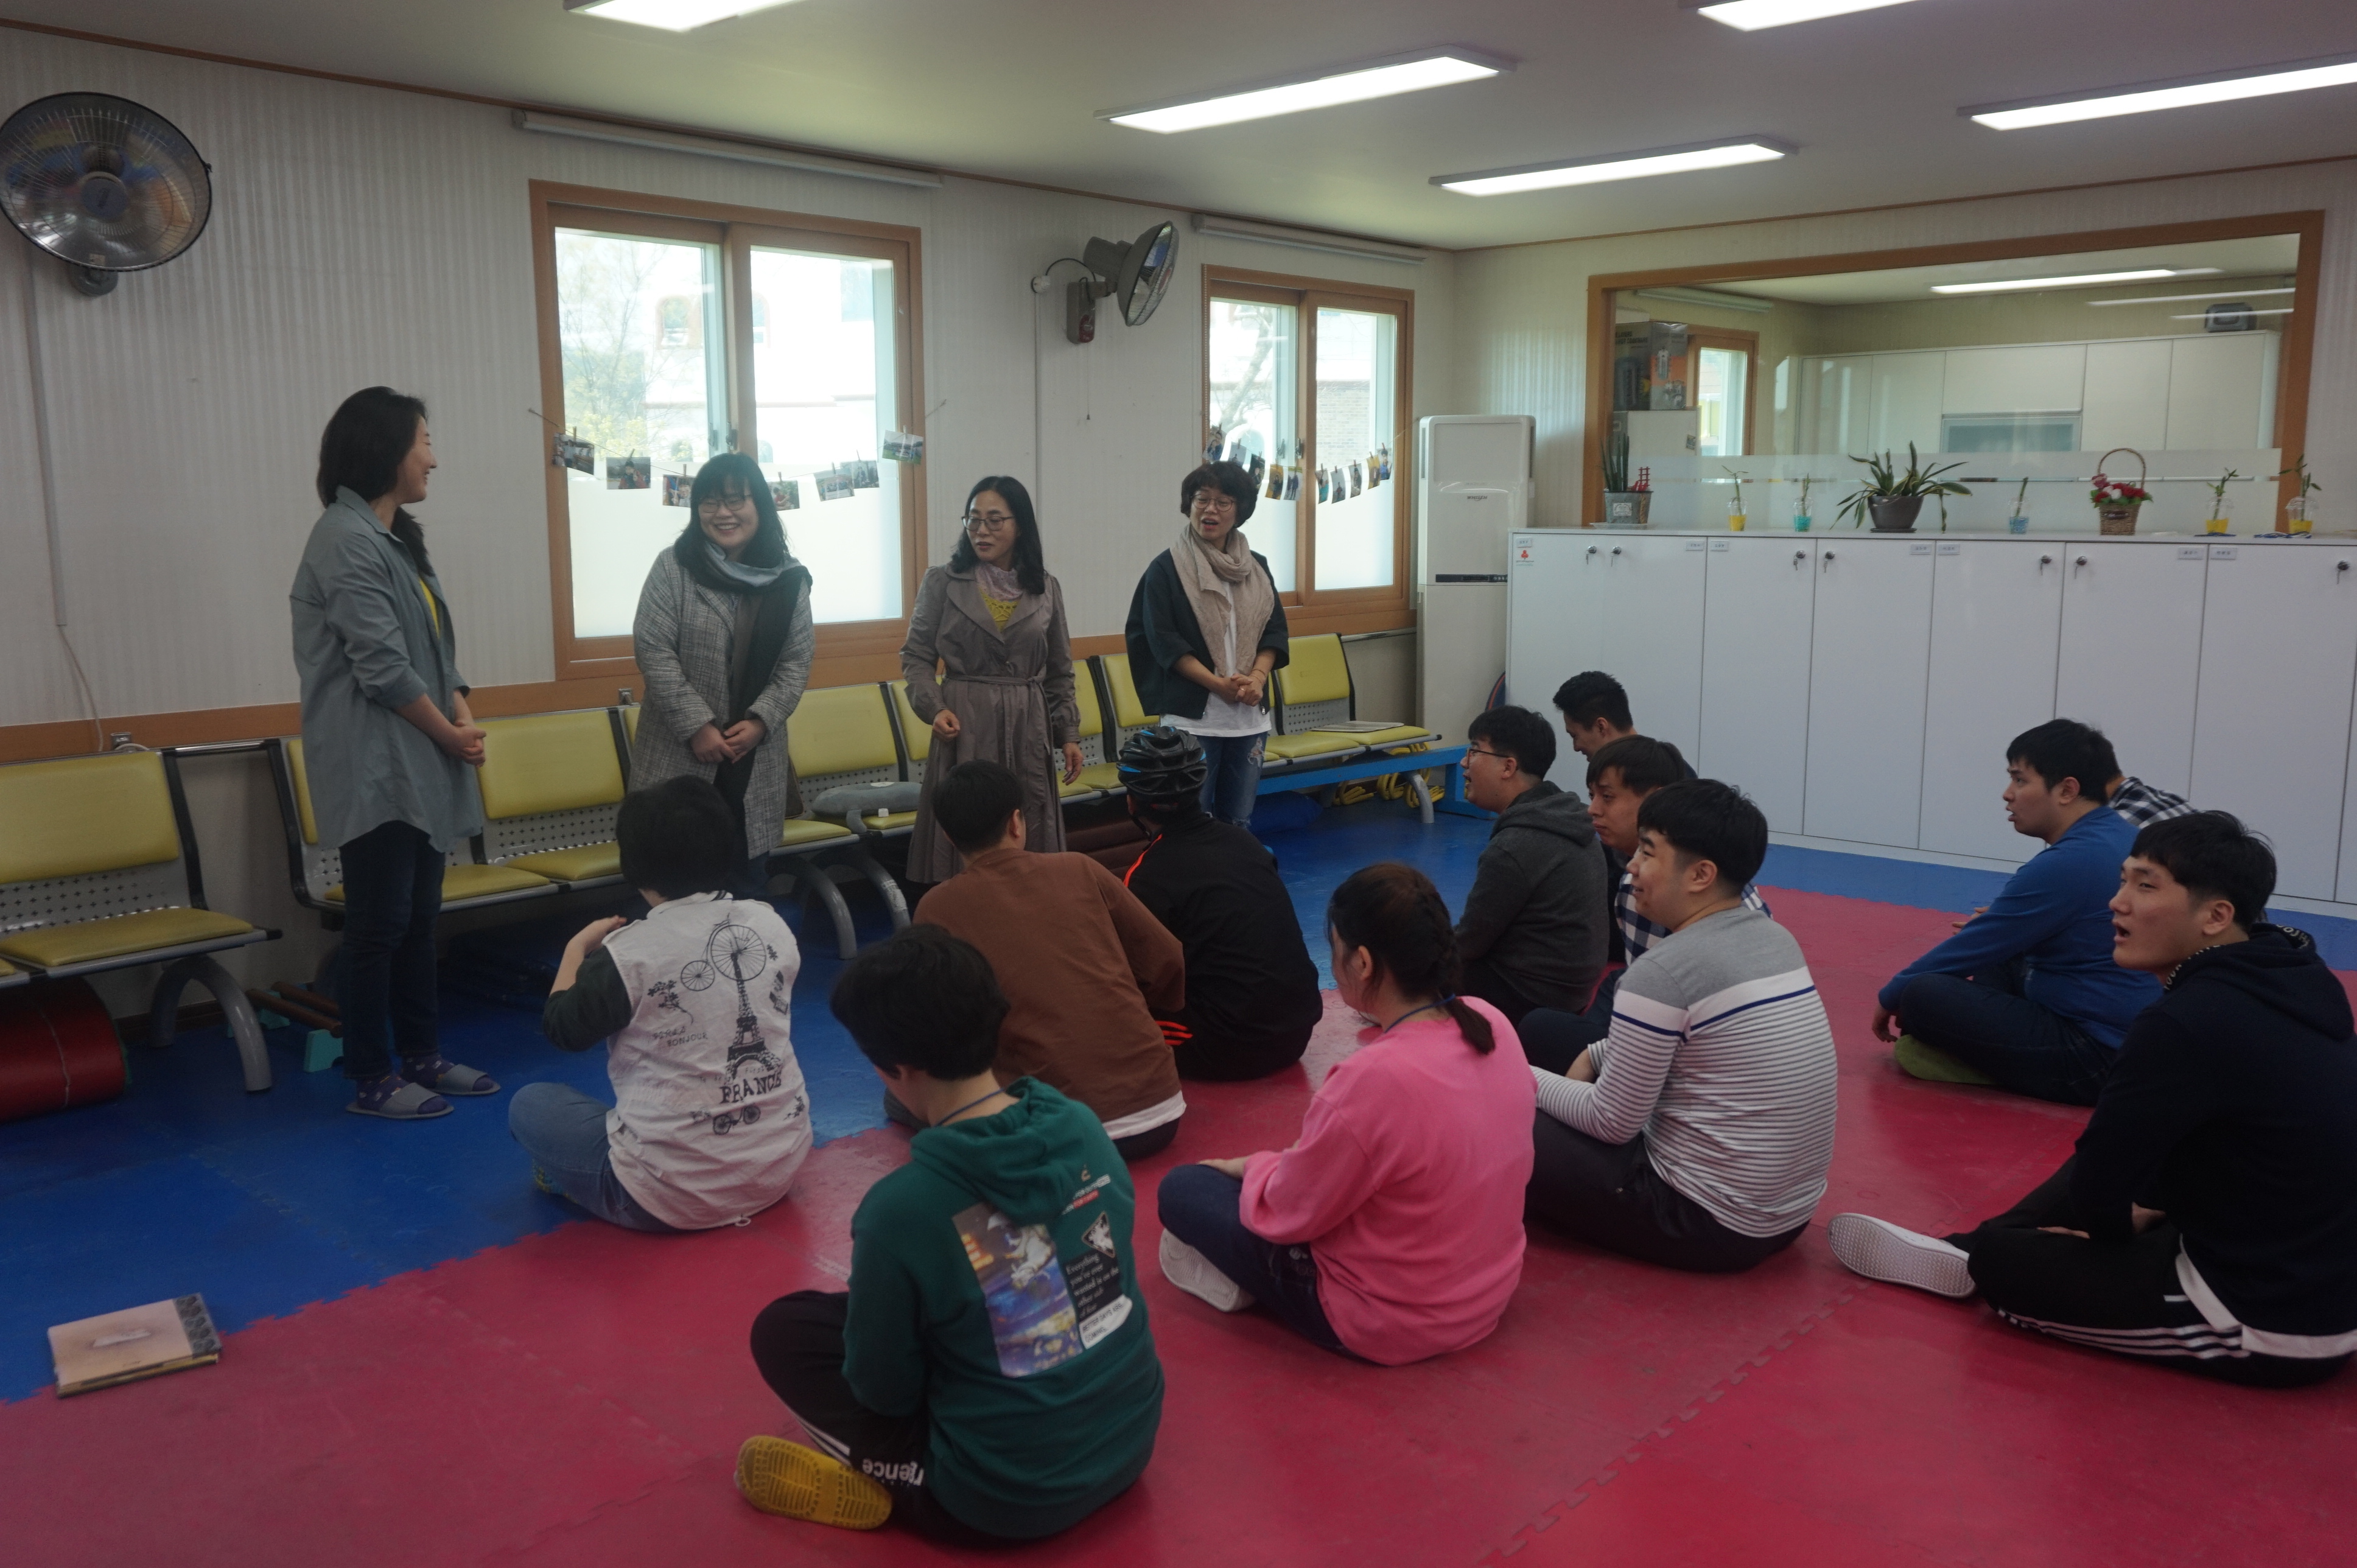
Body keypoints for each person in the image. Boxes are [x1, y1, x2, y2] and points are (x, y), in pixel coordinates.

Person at [1830, 813, 2357, 1388]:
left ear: (2215, 916)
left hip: (2263, 1320)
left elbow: (2100, 1186)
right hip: (2307, 1271)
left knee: (2003, 1262)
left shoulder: (2183, 1023)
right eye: (2124, 880)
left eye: (2145, 886)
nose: (2117, 902)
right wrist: (2141, 1209)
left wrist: (2106, 1239)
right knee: (2117, 1159)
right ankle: (1964, 1248)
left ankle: (1976, 1254)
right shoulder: (2295, 976)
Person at [741, 926, 1163, 1540]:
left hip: (999, 1500)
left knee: (781, 1332)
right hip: (1129, 1440)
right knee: (941, 1299)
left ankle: (885, 1477)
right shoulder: (1080, 1124)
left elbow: (884, 1393)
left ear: (893, 1067)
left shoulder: (901, 1209)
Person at [1157, 863, 1535, 1363]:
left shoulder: (1373, 1078)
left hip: (1387, 1321)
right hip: (1487, 1293)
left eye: (1334, 950)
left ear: (1362, 962)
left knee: (1184, 1189)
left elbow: (1291, 1213)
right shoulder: (1491, 1023)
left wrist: (1254, 1167)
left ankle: (1257, 1282)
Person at [1525, 780, 1837, 1273]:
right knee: (1546, 1031)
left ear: (1700, 875)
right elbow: (1698, 1041)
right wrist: (1594, 1055)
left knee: (1496, 1116)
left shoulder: (1664, 971)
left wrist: (1512, 1077)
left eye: (1648, 853)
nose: (1631, 866)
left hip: (1706, 1222)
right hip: (1787, 1218)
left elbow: (1611, 1122)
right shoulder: (1775, 938)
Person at [291, 387, 496, 1122]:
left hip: (421, 757)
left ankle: (422, 1055)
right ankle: (371, 1075)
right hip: (375, 764)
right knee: (378, 925)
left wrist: (460, 704)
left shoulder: (395, 536)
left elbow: (431, 647)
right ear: (387, 449)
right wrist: (449, 733)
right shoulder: (343, 538)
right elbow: (380, 666)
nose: (433, 459)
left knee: (417, 920)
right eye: (425, 442)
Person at [513, 777, 812, 1231]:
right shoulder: (769, 922)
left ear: (633, 865)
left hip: (664, 1200)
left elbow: (562, 1029)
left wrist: (576, 949)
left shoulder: (628, 952)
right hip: (778, 1169)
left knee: (530, 1103)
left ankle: (582, 1185)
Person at [1874, 719, 2160, 1105]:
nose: (2008, 794)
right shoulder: (2121, 835)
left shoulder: (2071, 860)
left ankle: (1987, 1064)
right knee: (2000, 951)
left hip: (2096, 1055)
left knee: (1922, 994)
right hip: (2123, 1033)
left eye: (2020, 780)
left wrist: (1891, 996)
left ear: (2067, 790)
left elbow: (1977, 944)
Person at [914, 761, 1187, 1158]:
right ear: (1016, 822)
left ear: (948, 836)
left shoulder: (936, 907)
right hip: (1160, 1110)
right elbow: (1167, 959)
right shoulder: (1080, 868)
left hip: (1054, 1133)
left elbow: (941, 1026)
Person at [1518, 735, 1769, 1073]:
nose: (1592, 810)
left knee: (1539, 1028)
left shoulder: (1655, 890)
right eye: (1592, 796)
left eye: (1607, 797)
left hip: (1692, 1054)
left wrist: (1587, 1063)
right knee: (1618, 983)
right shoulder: (1732, 896)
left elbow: (1657, 1046)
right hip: (1671, 1018)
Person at [629, 452, 814, 891]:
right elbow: (653, 650)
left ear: (760, 505)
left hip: (752, 758)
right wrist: (697, 725)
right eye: (710, 502)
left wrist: (761, 722)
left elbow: (796, 663)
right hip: (678, 755)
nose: (723, 513)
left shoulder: (788, 579)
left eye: (735, 500)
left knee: (744, 890)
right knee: (668, 888)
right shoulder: (674, 566)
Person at [898, 476, 1083, 888]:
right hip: (966, 720)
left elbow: (1059, 670)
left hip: (1027, 723)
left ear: (1020, 526)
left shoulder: (1046, 588)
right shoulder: (943, 582)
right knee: (969, 823)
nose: (981, 530)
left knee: (1028, 824)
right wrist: (934, 707)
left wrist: (1068, 733)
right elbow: (916, 656)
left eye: (995, 520)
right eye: (974, 519)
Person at [1115, 726, 1322, 1080]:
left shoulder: (1147, 875)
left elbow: (1142, 974)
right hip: (1299, 1030)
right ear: (1199, 788)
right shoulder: (1246, 842)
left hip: (1231, 1046)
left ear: (1132, 801)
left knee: (1108, 1015)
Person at [1124, 461, 1291, 827]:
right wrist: (1217, 685)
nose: (1210, 510)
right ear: (1189, 504)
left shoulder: (1257, 567)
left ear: (1240, 510)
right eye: (1202, 499)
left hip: (1249, 718)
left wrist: (1258, 678)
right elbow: (1163, 642)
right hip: (1192, 721)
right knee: (1190, 823)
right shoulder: (1166, 569)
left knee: (1239, 821)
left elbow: (1274, 631)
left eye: (1223, 502)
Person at [1452, 705, 1610, 1027]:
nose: (1464, 763)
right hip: (1573, 992)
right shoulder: (1568, 815)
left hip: (1529, 998)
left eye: (1475, 751)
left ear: (1508, 767)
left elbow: (1469, 943)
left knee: (1412, 968)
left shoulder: (1515, 846)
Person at [1551, 669, 1695, 773]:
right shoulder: (1675, 768)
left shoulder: (1668, 776)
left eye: (1574, 736)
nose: (1576, 747)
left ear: (1601, 727)